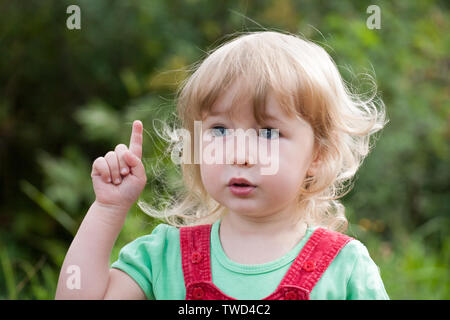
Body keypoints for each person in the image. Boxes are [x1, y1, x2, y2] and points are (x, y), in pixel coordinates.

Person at [55, 31, 389, 300]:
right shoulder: (164, 257)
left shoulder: (345, 268)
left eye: (268, 132)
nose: (239, 154)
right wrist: (108, 208)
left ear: (318, 154)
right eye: (219, 130)